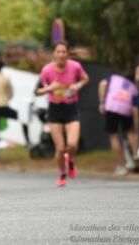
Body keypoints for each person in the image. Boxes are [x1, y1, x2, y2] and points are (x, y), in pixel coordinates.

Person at [35, 41, 89, 187]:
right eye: (58, 52)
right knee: (60, 148)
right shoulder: (47, 70)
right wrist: (49, 88)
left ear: (67, 54)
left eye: (64, 52)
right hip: (55, 109)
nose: (61, 55)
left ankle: (71, 161)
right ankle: (62, 173)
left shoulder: (75, 67)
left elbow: (85, 78)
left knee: (72, 144)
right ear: (53, 54)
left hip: (71, 108)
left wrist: (78, 85)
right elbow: (37, 91)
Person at [98, 72, 139, 176]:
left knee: (114, 136)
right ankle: (135, 156)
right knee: (130, 132)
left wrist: (102, 102)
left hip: (112, 106)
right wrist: (136, 127)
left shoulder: (113, 78)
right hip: (126, 108)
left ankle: (120, 166)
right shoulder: (134, 88)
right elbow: (135, 110)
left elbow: (103, 84)